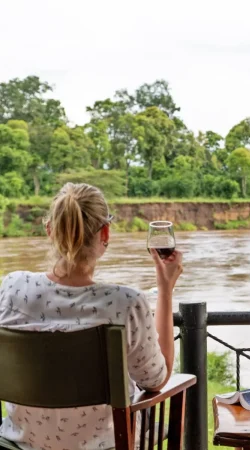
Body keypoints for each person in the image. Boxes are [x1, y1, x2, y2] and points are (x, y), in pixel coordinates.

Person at [0, 183, 183, 450]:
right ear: (105, 233)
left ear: (50, 231)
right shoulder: (125, 303)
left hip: (19, 445)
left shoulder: (12, 288)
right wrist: (165, 289)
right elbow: (155, 381)